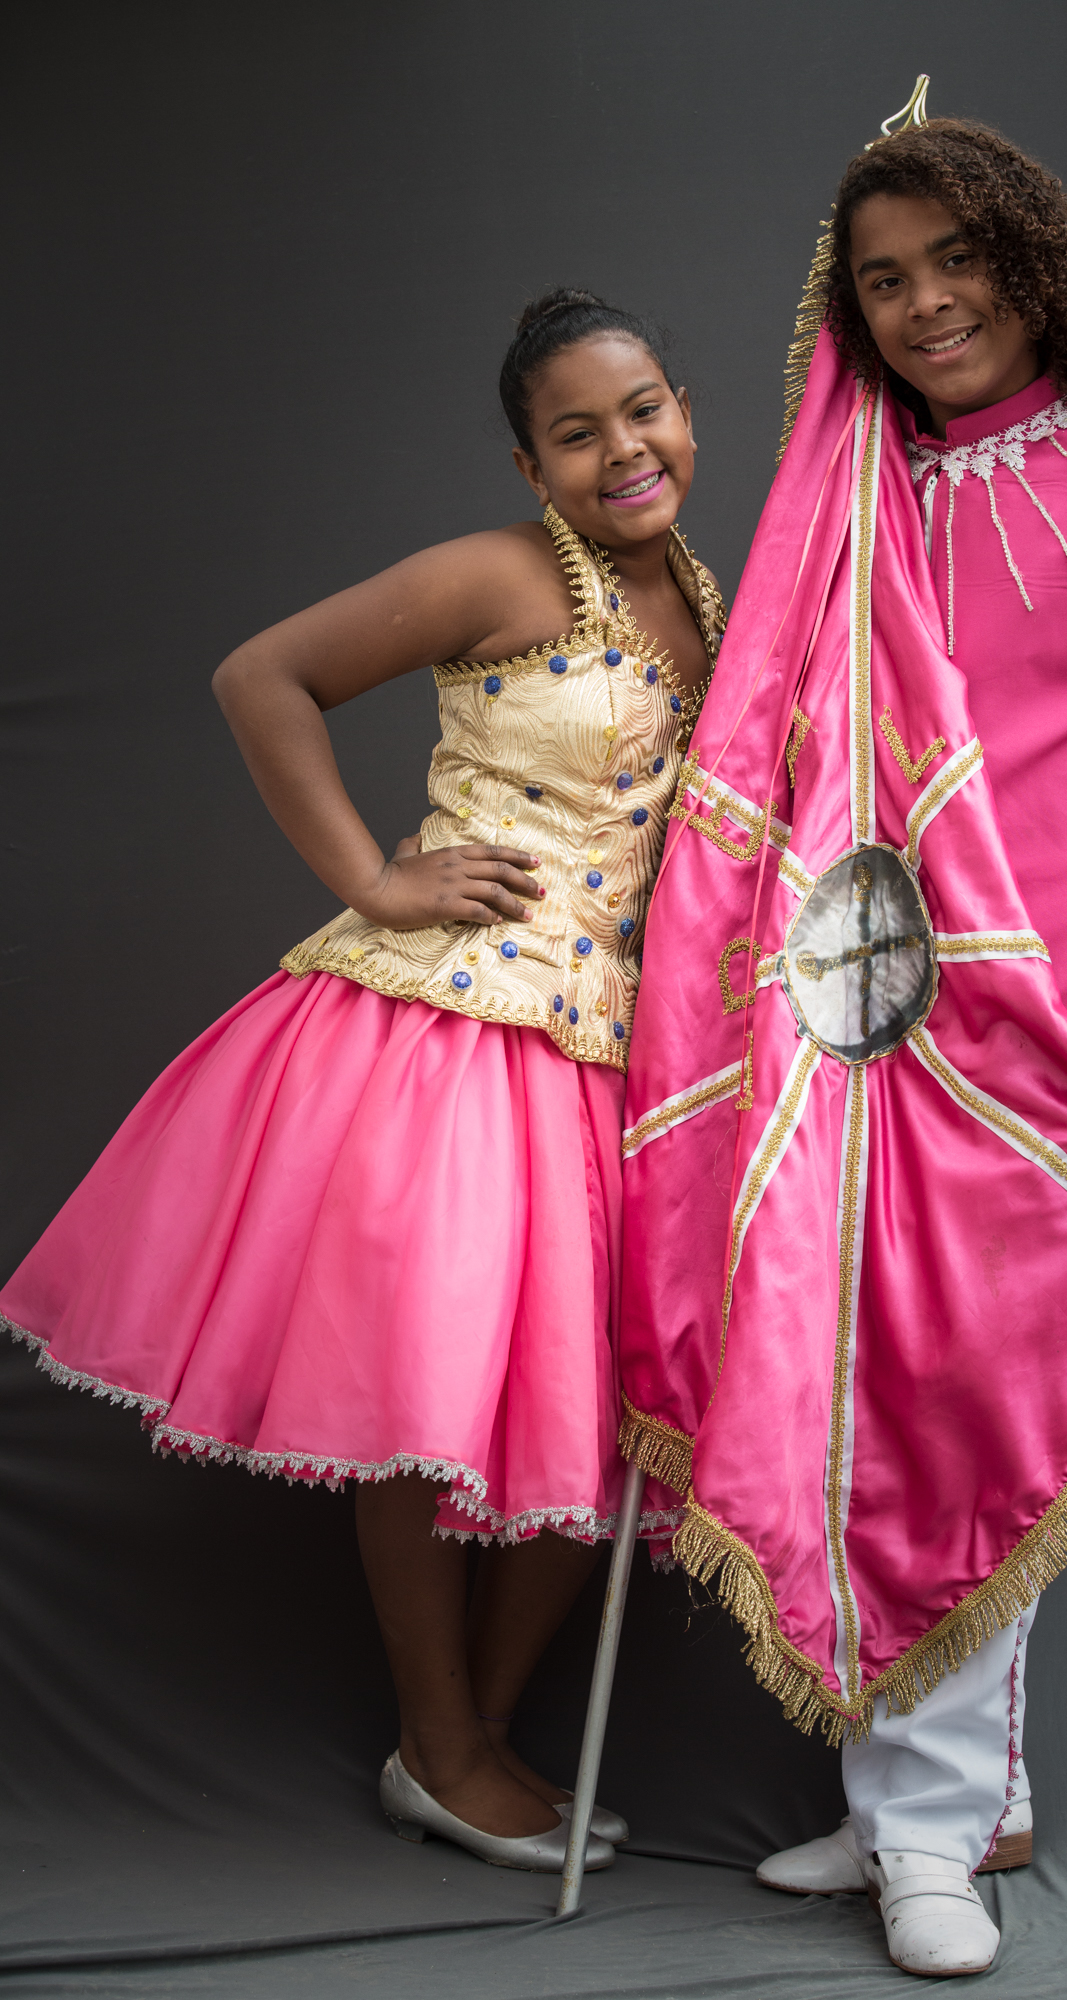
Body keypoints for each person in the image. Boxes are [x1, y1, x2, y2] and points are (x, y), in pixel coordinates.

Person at [615, 90, 1067, 1976]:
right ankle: (934, 1811)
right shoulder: (851, 502)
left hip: (1054, 1034)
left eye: (955, 261)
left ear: (1030, 259)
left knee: (983, 1405)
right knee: (864, 1392)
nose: (923, 306)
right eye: (882, 281)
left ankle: (926, 1830)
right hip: (856, 1016)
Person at [0, 289, 723, 1874]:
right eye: (579, 430)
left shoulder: (720, 606)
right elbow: (261, 676)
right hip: (455, 1037)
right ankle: (445, 1742)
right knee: (424, 1387)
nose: (625, 449)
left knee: (592, 1414)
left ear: (686, 411)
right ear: (528, 461)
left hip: (621, 1055)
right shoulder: (499, 572)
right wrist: (377, 882)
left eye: (646, 408)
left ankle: (469, 1736)